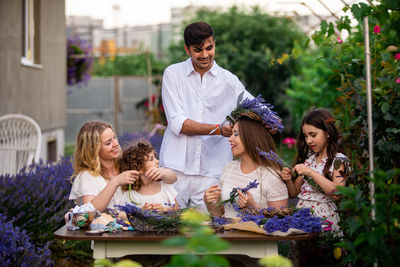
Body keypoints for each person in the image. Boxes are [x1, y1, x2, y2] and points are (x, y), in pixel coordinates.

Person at [160, 21, 253, 211]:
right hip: (175, 169)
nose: (204, 55)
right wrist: (219, 130)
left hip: (212, 171)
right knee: (167, 230)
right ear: (187, 49)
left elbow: (257, 108)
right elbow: (178, 123)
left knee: (208, 232)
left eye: (209, 48)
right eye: (197, 50)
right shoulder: (172, 74)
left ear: (214, 44)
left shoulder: (229, 80)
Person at [203, 97, 288, 218]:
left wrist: (252, 208)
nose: (230, 139)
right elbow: (221, 216)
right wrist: (209, 203)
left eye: (236, 134)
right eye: (231, 133)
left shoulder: (272, 177)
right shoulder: (229, 168)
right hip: (227, 236)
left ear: (252, 137)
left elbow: (280, 225)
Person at [281, 108, 350, 233]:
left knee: (320, 250)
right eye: (306, 136)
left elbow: (337, 193)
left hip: (323, 219)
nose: (308, 141)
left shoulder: (338, 160)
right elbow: (294, 193)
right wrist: (287, 180)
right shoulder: (310, 160)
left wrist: (312, 173)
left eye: (313, 135)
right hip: (302, 217)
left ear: (328, 132)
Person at [69, 120, 139, 212]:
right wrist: (115, 182)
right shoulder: (88, 176)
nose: (116, 144)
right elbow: (88, 213)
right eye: (108, 143)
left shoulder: (127, 165)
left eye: (114, 137)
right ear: (93, 149)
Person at [120, 141, 178, 212]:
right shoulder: (132, 195)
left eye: (155, 157)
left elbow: (177, 210)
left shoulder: (164, 186)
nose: (158, 161)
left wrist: (165, 209)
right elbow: (124, 217)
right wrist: (141, 213)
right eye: (151, 159)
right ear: (139, 169)